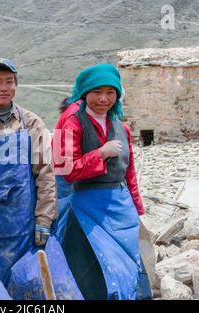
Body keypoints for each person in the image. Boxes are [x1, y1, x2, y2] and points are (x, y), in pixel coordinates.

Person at [53, 64, 147, 300]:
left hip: (121, 210)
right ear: (84, 93)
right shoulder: (72, 122)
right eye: (96, 92)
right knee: (94, 273)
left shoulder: (121, 128)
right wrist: (101, 153)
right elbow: (67, 170)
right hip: (87, 211)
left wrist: (137, 208)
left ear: (117, 95)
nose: (103, 99)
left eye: (110, 92)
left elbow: (129, 172)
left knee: (128, 270)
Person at [0, 57, 58, 286]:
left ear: (16, 85)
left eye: (9, 81)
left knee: (27, 285)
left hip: (25, 226)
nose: (4, 88)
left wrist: (44, 219)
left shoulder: (31, 122)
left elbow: (45, 172)